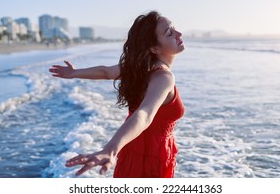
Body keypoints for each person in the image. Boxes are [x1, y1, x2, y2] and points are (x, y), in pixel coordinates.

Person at [48, 11, 185, 177]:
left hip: (133, 148)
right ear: (155, 48)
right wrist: (111, 149)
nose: (179, 34)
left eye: (174, 29)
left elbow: (105, 72)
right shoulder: (164, 77)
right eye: (169, 33)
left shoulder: (138, 69)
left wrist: (74, 73)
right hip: (151, 155)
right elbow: (144, 114)